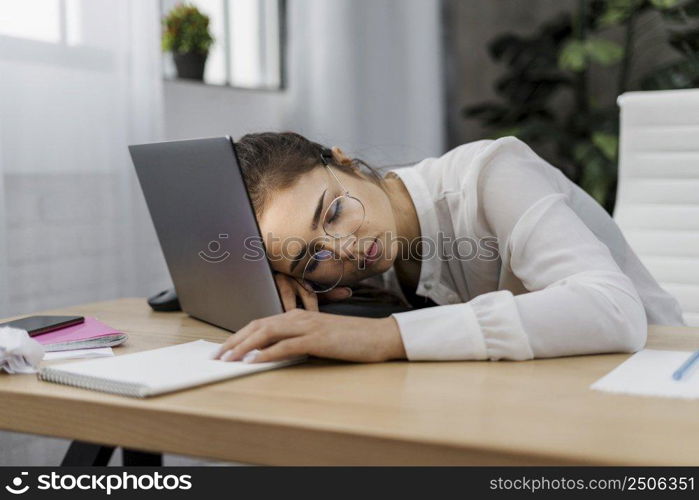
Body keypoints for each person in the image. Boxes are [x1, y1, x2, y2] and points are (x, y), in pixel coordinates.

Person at [213, 132, 685, 364]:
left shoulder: (490, 173)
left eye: (334, 211)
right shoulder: (352, 263)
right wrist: (274, 280)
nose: (346, 250)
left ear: (343, 161)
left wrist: (386, 338)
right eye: (312, 256)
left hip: (659, 374)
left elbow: (615, 310)